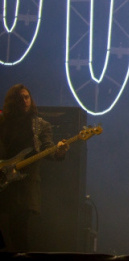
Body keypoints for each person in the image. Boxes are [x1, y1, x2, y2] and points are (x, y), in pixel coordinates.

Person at [0, 84, 69, 252]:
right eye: (20, 98)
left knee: (19, 231)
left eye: (27, 97)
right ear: (12, 102)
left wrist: (59, 152)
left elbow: (48, 150)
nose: (24, 101)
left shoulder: (40, 125)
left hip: (25, 184)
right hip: (3, 178)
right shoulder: (2, 122)